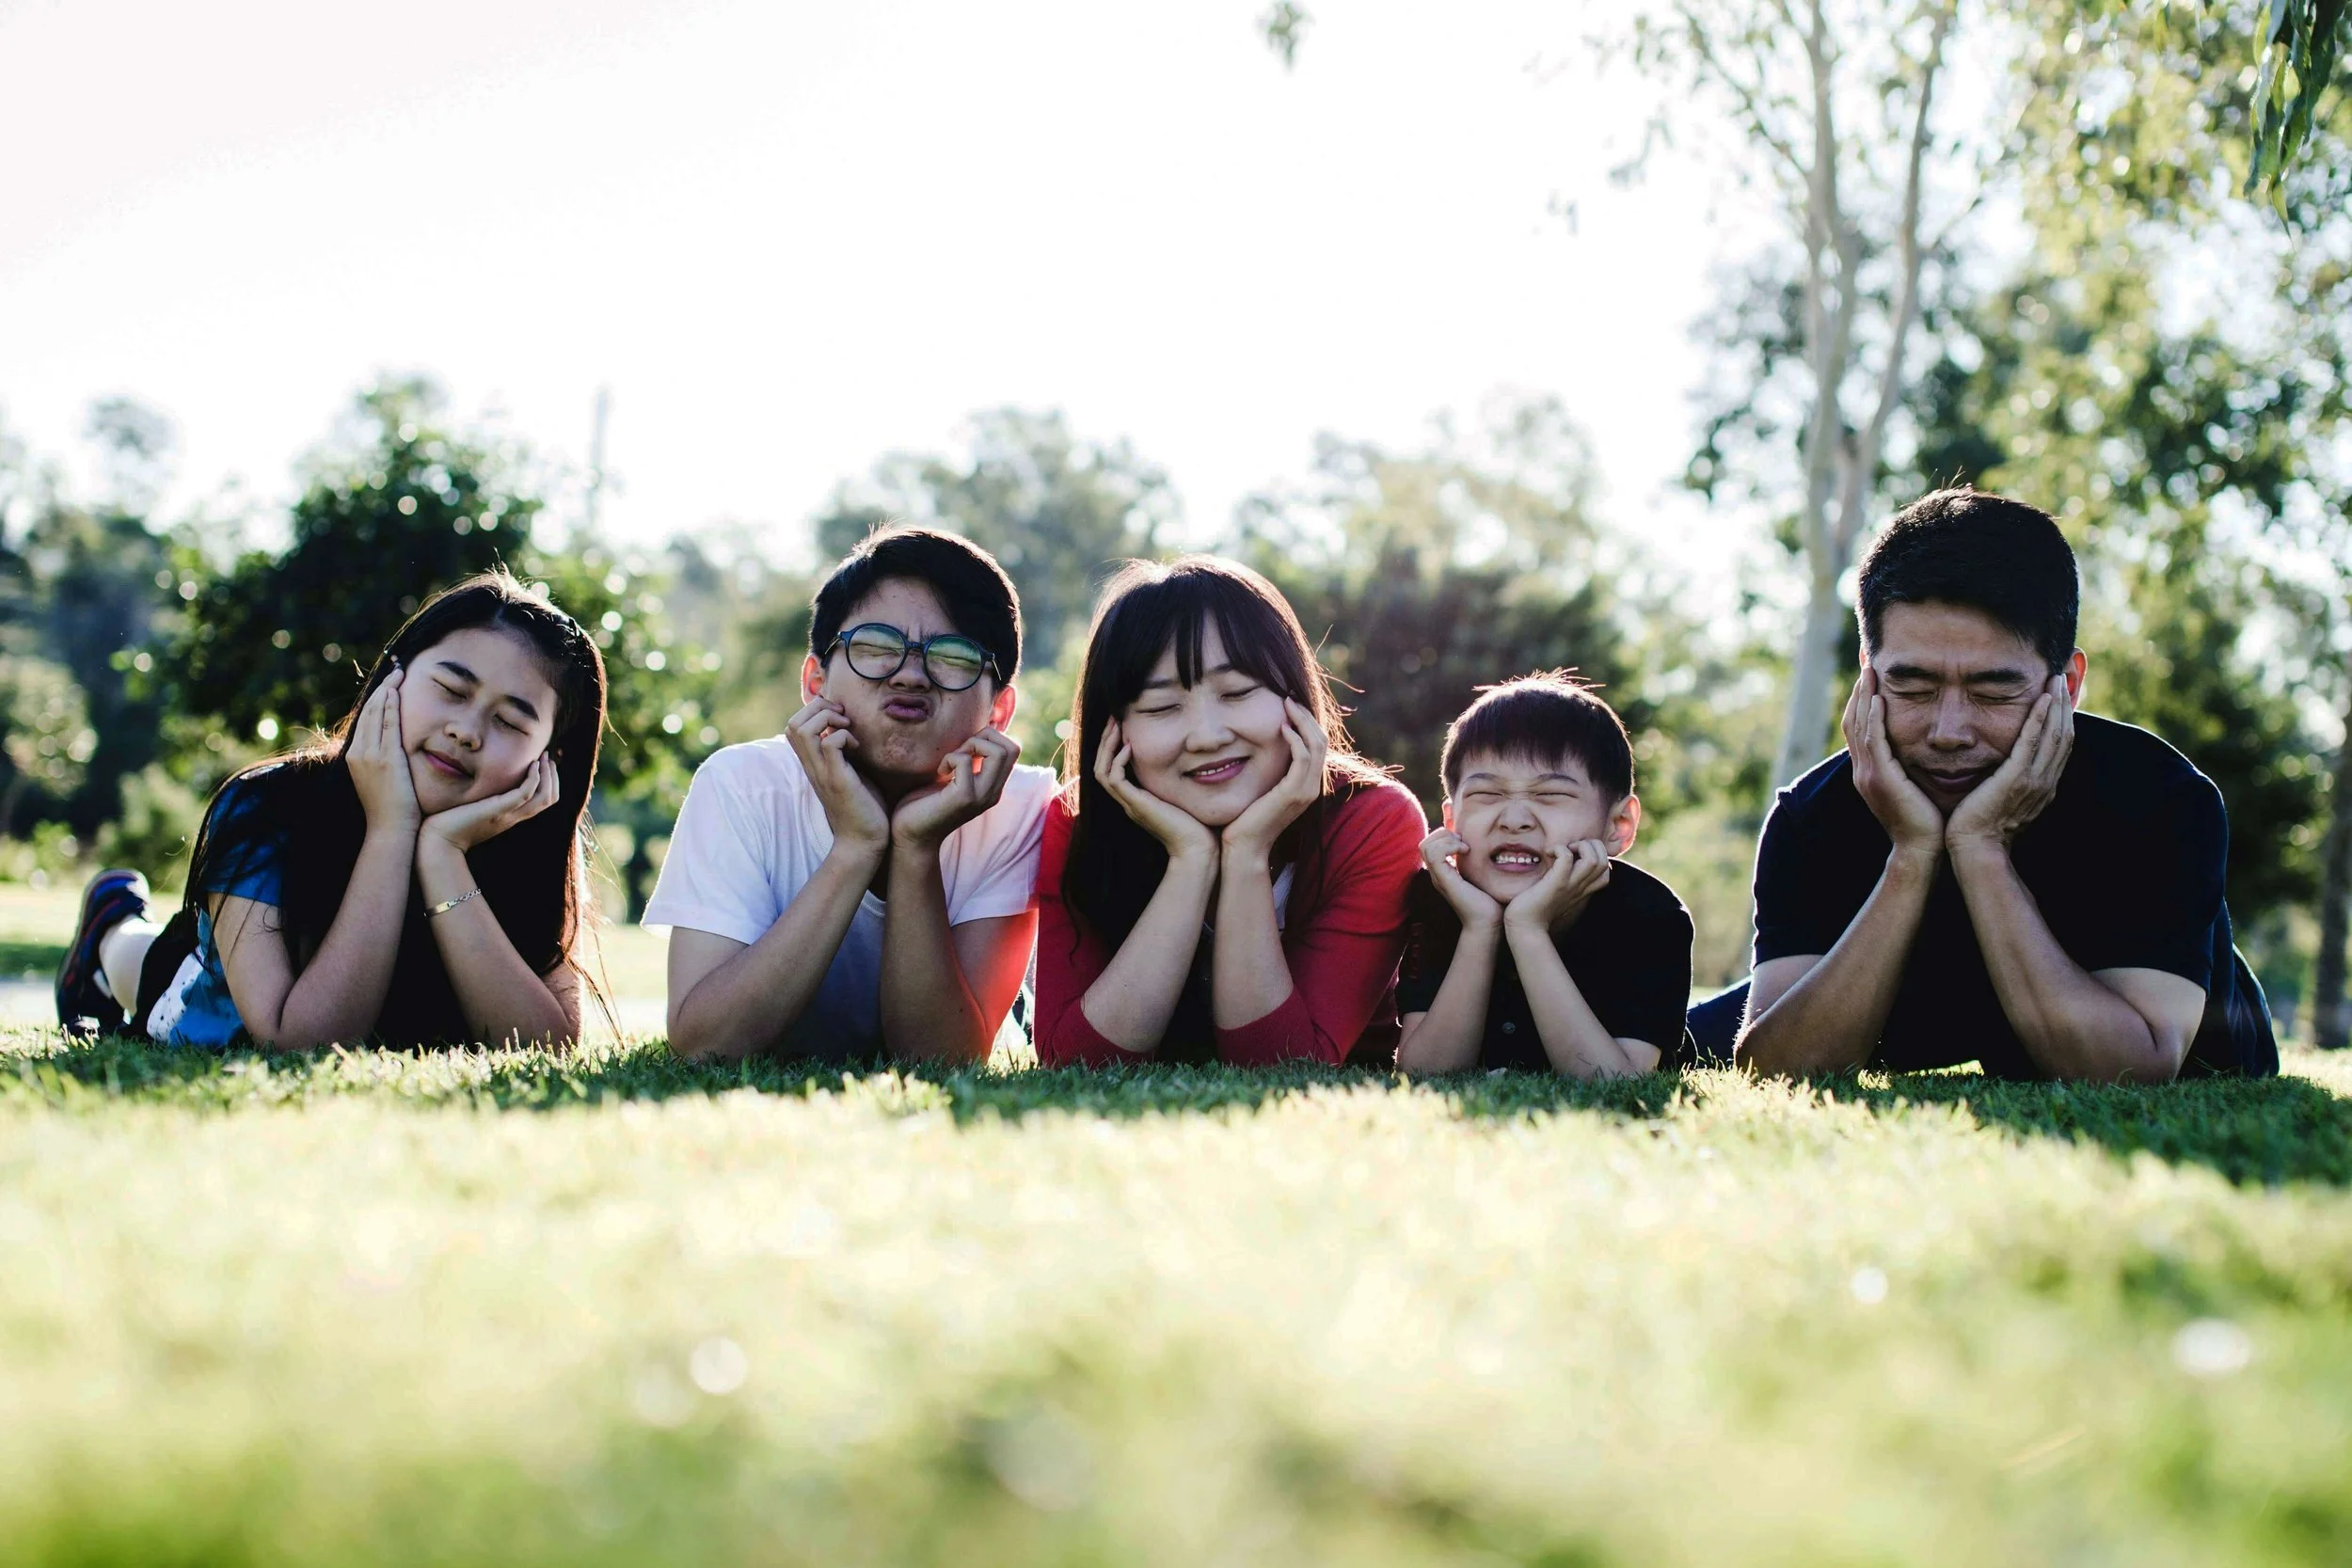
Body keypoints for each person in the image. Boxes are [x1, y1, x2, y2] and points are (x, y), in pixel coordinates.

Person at [1715, 488, 2277, 1082]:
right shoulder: (1811, 816)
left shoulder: (2162, 799)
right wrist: (1912, 853)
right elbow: (1774, 1070)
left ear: (2067, 684)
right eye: (1913, 687)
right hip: (1906, 1003)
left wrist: (1980, 847)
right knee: (1682, 1037)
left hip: (2151, 1018)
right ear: (1867, 675)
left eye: (1993, 692)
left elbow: (2131, 1070)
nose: (1949, 732)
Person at [54, 570, 608, 1049]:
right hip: (201, 994)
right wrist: (391, 830)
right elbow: (300, 1041)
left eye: (509, 722)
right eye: (451, 689)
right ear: (394, 677)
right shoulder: (265, 805)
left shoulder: (534, 837)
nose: (466, 731)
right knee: (144, 961)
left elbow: (547, 1046)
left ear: (548, 758)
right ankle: (110, 922)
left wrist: (443, 855)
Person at [650, 527, 1053, 1065]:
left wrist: (915, 847)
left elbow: (941, 1061)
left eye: (954, 656)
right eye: (876, 647)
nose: (911, 676)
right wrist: (856, 846)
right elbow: (706, 1045)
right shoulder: (741, 785)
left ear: (999, 711)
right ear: (815, 683)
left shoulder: (1020, 807)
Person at [1032, 555, 1426, 1068]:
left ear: (1295, 695)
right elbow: (1078, 1064)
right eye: (1161, 707)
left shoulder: (1373, 822)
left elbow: (1281, 1066)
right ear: (1114, 729)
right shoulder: (1077, 823)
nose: (1208, 736)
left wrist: (1246, 852)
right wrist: (1191, 860)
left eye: (1237, 692)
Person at [1394, 674, 1693, 1078]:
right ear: (1451, 821)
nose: (1514, 820)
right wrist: (1480, 927)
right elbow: (1424, 1073)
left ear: (1618, 825)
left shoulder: (1650, 915)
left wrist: (1527, 929)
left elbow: (1615, 1082)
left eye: (1550, 795)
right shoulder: (1439, 896)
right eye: (1487, 795)